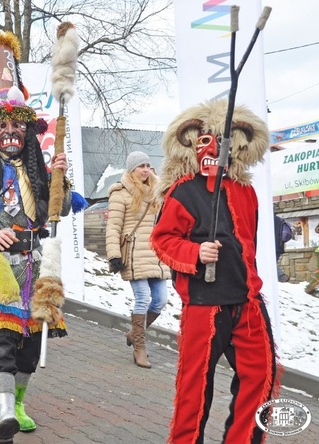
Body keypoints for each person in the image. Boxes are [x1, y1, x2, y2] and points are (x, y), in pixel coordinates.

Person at [0, 33, 72, 439]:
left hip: (37, 269)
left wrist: (60, 178)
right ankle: (2, 413)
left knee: (30, 348)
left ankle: (19, 402)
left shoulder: (40, 172)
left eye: (17, 126)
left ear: (26, 132)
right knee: (3, 343)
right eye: (2, 125)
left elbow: (64, 207)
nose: (10, 132)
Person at [149, 99, 278, 443]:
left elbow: (248, 243)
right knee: (194, 389)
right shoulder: (182, 192)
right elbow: (162, 240)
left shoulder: (246, 191)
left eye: (220, 141)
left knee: (262, 377)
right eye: (204, 140)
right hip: (204, 304)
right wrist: (195, 251)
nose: (212, 148)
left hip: (247, 301)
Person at [106, 151, 170, 368]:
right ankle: (140, 349)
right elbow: (113, 227)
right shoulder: (120, 192)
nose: (145, 169)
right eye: (141, 166)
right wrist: (114, 255)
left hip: (155, 254)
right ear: (131, 169)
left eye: (148, 165)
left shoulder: (157, 191)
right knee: (142, 298)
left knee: (160, 300)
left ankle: (134, 333)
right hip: (133, 254)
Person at [273, 215, 291, 282]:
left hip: (270, 246)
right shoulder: (280, 220)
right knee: (272, 263)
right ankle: (280, 276)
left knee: (268, 264)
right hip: (279, 246)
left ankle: (281, 276)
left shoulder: (266, 220)